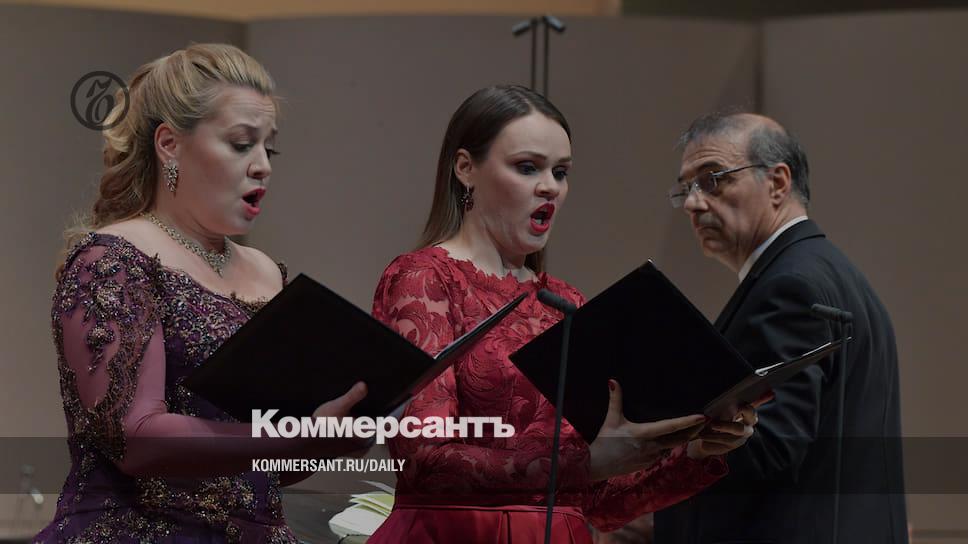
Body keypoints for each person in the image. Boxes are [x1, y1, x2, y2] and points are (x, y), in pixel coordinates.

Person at [366, 85, 759, 543]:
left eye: (561, 172)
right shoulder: (424, 278)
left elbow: (601, 504)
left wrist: (695, 450)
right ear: (465, 168)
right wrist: (582, 465)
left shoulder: (566, 301)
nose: (550, 186)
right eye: (527, 167)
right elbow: (422, 458)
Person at [35, 43, 368, 543]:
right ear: (170, 144)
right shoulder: (114, 257)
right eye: (241, 144)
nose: (263, 166)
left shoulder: (265, 272)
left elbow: (263, 468)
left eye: (269, 149)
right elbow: (135, 438)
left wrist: (332, 439)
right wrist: (296, 436)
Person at [654, 112, 907, 543]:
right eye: (687, 188)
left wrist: (666, 440)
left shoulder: (790, 286)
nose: (693, 204)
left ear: (777, 183)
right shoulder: (826, 272)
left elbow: (769, 447)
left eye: (712, 180)